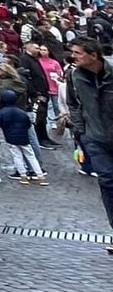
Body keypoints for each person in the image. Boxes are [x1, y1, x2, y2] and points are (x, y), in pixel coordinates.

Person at [64, 39, 113, 242]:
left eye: (78, 53)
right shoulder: (74, 76)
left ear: (94, 55)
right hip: (95, 138)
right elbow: (73, 103)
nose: (73, 56)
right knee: (107, 180)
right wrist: (81, 130)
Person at [0, 90, 46, 184]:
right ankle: (40, 175)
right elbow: (28, 123)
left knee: (17, 156)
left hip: (10, 137)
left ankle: (23, 176)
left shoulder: (2, 112)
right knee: (31, 156)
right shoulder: (21, 112)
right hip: (24, 138)